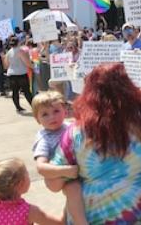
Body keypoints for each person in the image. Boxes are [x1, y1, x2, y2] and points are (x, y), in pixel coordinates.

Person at [51, 63, 141, 224]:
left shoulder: (76, 131)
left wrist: (71, 172)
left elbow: (54, 184)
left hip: (91, 217)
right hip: (140, 215)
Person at [31, 91, 86, 225]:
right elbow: (41, 167)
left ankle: (63, 222)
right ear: (37, 119)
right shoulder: (44, 138)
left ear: (65, 111)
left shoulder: (70, 126)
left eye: (56, 111)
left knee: (72, 203)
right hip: (57, 177)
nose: (52, 117)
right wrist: (66, 171)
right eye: (45, 114)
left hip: (74, 170)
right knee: (74, 190)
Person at [0, 157, 63, 225]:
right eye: (27, 173)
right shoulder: (29, 212)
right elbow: (59, 223)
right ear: (21, 184)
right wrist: (70, 200)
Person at [3, 36, 33, 112]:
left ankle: (18, 107)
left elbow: (6, 65)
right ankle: (33, 106)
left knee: (15, 91)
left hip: (11, 74)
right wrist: (33, 67)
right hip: (21, 73)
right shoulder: (20, 51)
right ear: (18, 42)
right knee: (27, 91)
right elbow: (27, 62)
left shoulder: (8, 52)